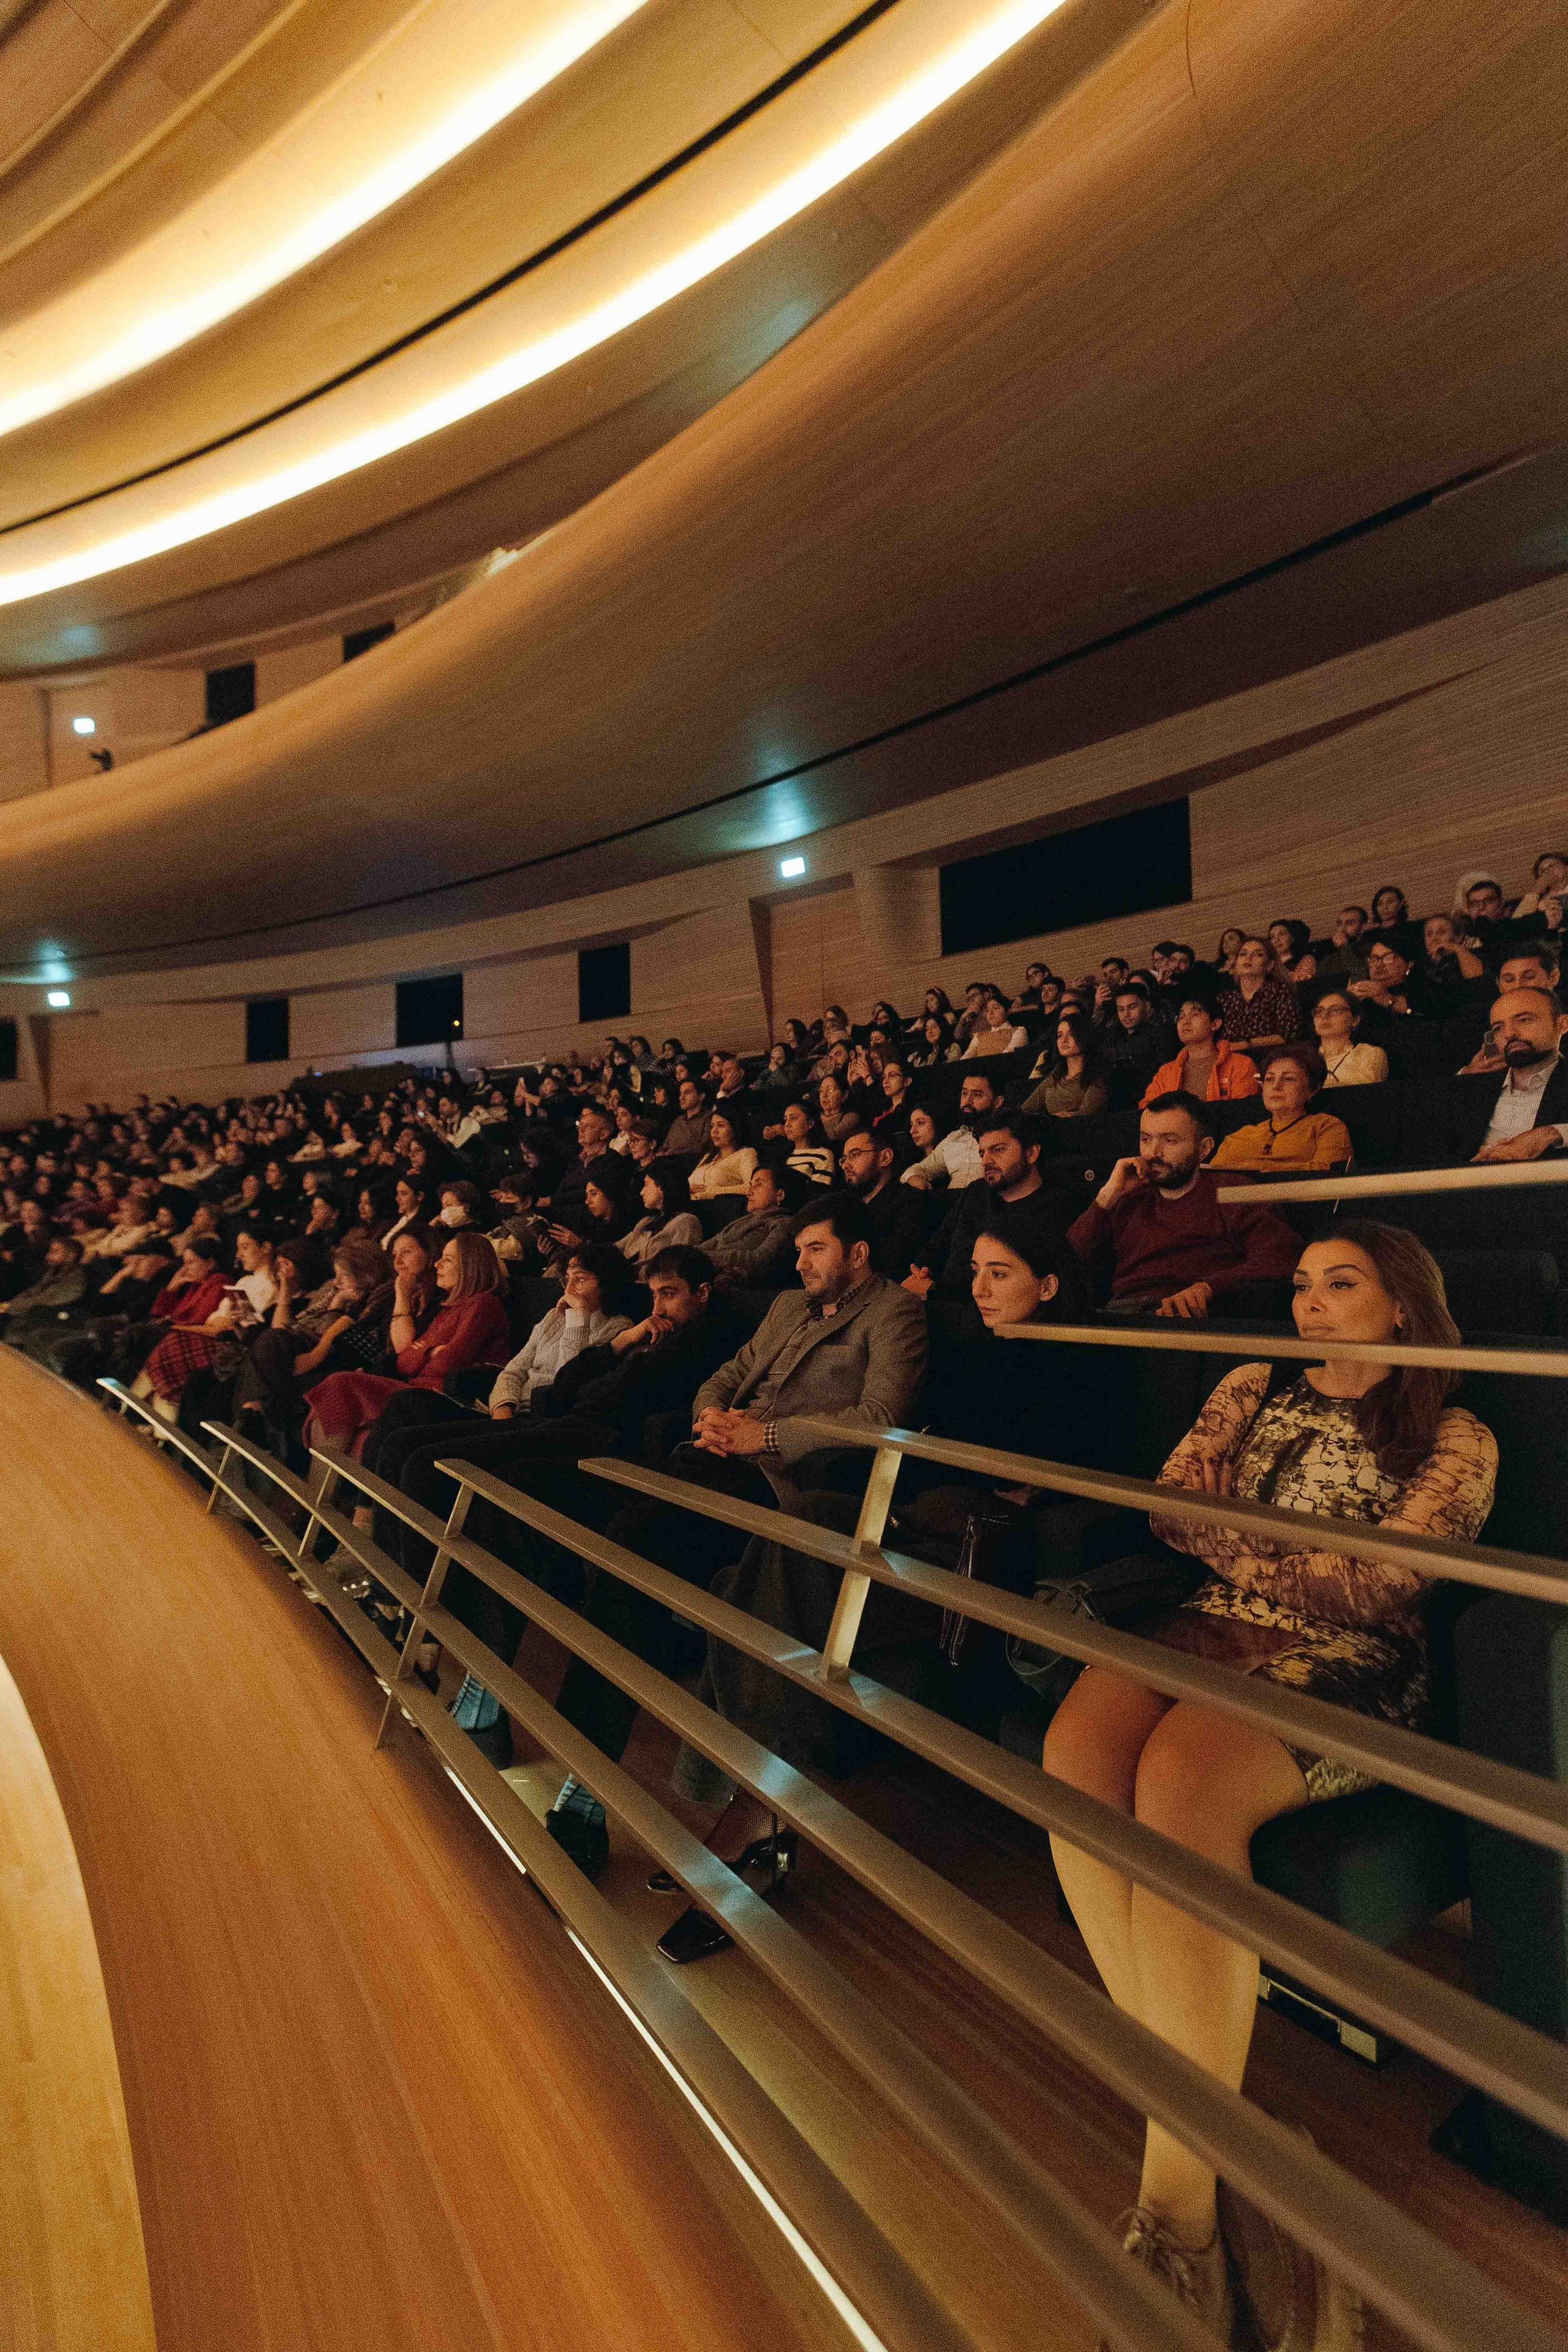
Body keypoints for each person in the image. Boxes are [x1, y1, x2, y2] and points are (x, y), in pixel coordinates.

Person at [1042, 1224, 1496, 2343]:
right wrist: (1282, 1556)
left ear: (1405, 1306)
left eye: (1342, 1283)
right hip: (1213, 1623)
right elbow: (1167, 1505)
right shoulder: (1252, 1379)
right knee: (1075, 1755)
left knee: (1185, 1774)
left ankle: (1176, 2225)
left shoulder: (1458, 1430)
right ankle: (1223, 2129)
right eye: (1301, 1283)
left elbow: (1386, 1589)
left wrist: (1240, 1541)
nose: (1311, 1301)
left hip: (1362, 1666)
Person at [554, 1197, 929, 1929]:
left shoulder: (894, 1315)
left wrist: (765, 1438)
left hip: (783, 1484)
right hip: (718, 1460)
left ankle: (583, 1788)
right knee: (622, 1540)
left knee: (630, 1545)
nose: (800, 1262)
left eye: (816, 1249)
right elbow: (729, 1372)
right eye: (798, 1250)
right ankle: (587, 1778)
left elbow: (881, 1420)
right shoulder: (788, 1305)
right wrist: (713, 1418)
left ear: (856, 1255)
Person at [1067, 1095, 1299, 1317]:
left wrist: (1208, 1288)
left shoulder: (1234, 1192)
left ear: (1204, 1149)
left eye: (1169, 1141)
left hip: (1194, 1315)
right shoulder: (1127, 1196)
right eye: (1146, 1139)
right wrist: (1106, 1198)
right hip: (1121, 1313)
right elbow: (1068, 1261)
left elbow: (1280, 1258)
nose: (1153, 1154)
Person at [304, 1229, 509, 1457]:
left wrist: (424, 1353)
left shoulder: (484, 1304)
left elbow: (448, 1365)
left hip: (444, 1398)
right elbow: (403, 1362)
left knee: (340, 1384)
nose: (438, 1264)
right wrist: (431, 1353)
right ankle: (321, 1491)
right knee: (338, 1399)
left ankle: (317, 1492)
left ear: (471, 1267)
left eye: (448, 1259)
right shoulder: (448, 1309)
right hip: (415, 1390)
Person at [905, 1111, 1070, 1304]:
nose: (986, 1161)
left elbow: (1015, 1292)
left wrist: (933, 1290)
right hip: (940, 1305)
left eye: (998, 1150)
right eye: (982, 1153)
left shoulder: (1058, 1207)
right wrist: (923, 1269)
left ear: (1031, 1154)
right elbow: (939, 1243)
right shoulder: (976, 1192)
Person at [1445, 987, 1568, 1162]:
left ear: (1562, 1024)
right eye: (1498, 1028)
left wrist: (1550, 1134)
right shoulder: (1472, 1088)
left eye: (1524, 1020)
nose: (1509, 1033)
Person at [1208, 1047, 1352, 1171]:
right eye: (1269, 1079)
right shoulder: (1239, 1136)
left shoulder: (1327, 1127)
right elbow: (1211, 1181)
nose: (1276, 1086)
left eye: (1289, 1079)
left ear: (1313, 1089)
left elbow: (1328, 1173)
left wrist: (1260, 1168)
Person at [837, 1125, 932, 1282]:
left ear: (885, 1158)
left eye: (855, 1154)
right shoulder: (843, 1206)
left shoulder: (911, 1201)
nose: (846, 1165)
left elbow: (895, 1263)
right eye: (844, 1158)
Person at [1455, 946, 1561, 1072]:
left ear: (1553, 977)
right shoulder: (1473, 1019)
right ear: (1498, 984)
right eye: (1509, 980)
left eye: (1529, 977)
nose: (1518, 986)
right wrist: (1468, 1072)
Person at [1141, 995, 1259, 1106]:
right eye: (1182, 1017)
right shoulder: (1166, 1072)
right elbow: (1146, 1110)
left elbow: (1243, 1112)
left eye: (1195, 1015)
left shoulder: (1241, 1065)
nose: (1185, 1021)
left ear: (1215, 1024)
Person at [703, 1162, 803, 1290]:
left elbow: (760, 1260)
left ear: (780, 1195)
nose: (748, 1192)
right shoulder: (742, 1220)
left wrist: (706, 1257)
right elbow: (712, 1242)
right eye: (751, 1185)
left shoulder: (783, 1223)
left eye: (758, 1184)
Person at [899, 1071, 1005, 1191]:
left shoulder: (1006, 1137)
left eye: (977, 1095)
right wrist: (916, 1179)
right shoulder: (952, 1139)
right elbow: (917, 1170)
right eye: (964, 1094)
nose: (968, 1101)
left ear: (997, 1102)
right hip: (952, 1205)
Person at [1216, 938, 1297, 1057]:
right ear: (1236, 965)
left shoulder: (1279, 991)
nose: (1248, 958)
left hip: (1272, 1057)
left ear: (1269, 966)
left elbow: (1288, 1035)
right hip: (1232, 1061)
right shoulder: (1225, 999)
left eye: (1258, 954)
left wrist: (1247, 1044)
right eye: (1243, 954)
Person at [1022, 1011, 1109, 1119]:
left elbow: (1087, 1116)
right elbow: (1026, 1109)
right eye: (1059, 1035)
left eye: (1071, 1034)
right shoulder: (1055, 1076)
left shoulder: (1095, 1077)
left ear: (1084, 1037)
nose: (1064, 1040)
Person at [1102, 986, 1176, 1111]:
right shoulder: (1113, 1038)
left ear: (1146, 1006)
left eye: (1132, 1007)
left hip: (1152, 1104)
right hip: (1116, 1107)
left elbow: (1168, 1075)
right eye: (1121, 1009)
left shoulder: (1161, 1035)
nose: (1126, 1014)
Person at [619, 1159, 704, 1267]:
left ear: (662, 1187)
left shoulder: (686, 1222)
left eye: (646, 1185)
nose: (642, 1192)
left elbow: (678, 1266)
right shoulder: (646, 1222)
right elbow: (617, 1248)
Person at [1310, 990, 1388, 1087]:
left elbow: (1365, 1090)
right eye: (1319, 1011)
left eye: (1336, 1010)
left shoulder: (1370, 1054)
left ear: (1355, 1020)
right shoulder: (1306, 1059)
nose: (1325, 1016)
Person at [688, 1108, 758, 1199]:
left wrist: (711, 1190)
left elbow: (752, 1187)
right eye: (712, 1126)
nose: (714, 1131)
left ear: (734, 1129)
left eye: (721, 1126)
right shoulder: (709, 1156)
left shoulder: (746, 1154)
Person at [1308, 907, 1370, 984]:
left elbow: (1359, 977)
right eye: (1340, 924)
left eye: (1351, 923)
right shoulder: (1331, 955)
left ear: (1362, 928)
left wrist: (1344, 946)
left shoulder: (1370, 949)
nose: (1342, 929)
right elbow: (1316, 982)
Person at [962, 995, 1028, 1057]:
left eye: (996, 1008)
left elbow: (1008, 1056)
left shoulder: (1019, 1031)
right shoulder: (978, 1036)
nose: (991, 1013)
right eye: (988, 1010)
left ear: (1008, 1011)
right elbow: (965, 1060)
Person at [1266, 919, 1316, 988]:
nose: (1277, 940)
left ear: (1292, 938)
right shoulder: (1267, 965)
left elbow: (1303, 981)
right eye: (1272, 937)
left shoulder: (1306, 959)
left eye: (1282, 934)